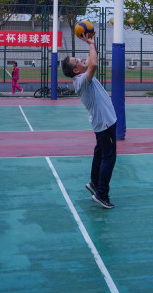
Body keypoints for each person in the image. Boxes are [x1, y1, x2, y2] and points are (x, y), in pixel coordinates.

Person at [61, 35, 118, 210]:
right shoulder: (81, 80)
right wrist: (92, 45)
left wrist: (90, 45)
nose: (82, 60)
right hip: (105, 123)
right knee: (109, 158)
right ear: (76, 70)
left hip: (102, 123)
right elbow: (93, 64)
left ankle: (94, 183)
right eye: (78, 61)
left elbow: (89, 60)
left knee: (100, 154)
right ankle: (102, 194)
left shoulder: (81, 77)